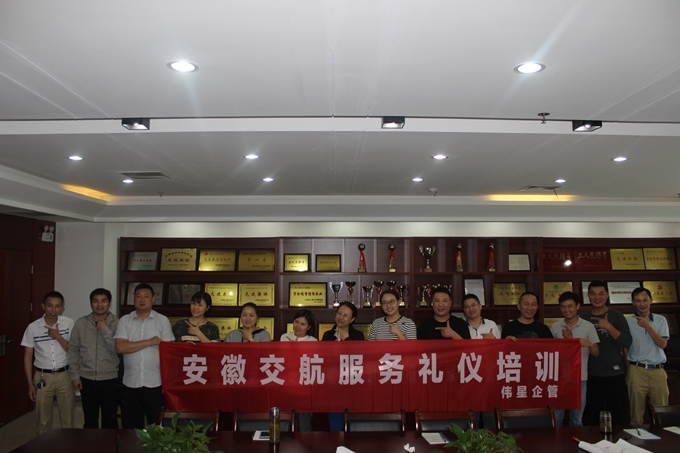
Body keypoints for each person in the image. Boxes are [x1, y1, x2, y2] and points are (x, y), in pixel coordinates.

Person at [115, 283, 174, 429]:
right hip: (131, 382)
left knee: (157, 427)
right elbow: (120, 347)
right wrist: (149, 342)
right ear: (133, 299)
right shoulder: (125, 320)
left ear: (153, 299)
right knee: (132, 428)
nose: (142, 300)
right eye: (138, 296)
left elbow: (168, 353)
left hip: (155, 383)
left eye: (146, 296)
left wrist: (167, 383)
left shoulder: (162, 320)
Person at [21, 291, 75, 434]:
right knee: (43, 420)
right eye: (50, 305)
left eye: (57, 306)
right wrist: (30, 383)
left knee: (68, 419)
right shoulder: (33, 327)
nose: (53, 310)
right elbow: (27, 357)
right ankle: (43, 444)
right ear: (43, 306)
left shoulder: (69, 323)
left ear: (62, 308)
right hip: (42, 376)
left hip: (65, 375)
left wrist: (58, 336)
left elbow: (73, 350)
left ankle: (69, 443)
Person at [581, 280, 632, 426]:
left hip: (614, 374)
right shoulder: (583, 318)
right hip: (591, 375)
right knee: (593, 418)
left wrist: (608, 326)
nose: (597, 297)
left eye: (601, 294)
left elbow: (627, 341)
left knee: (619, 416)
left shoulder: (617, 316)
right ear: (588, 296)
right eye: (593, 294)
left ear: (607, 295)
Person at [68, 288, 119, 429]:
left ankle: (109, 443)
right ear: (91, 303)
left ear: (110, 303)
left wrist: (104, 329)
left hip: (110, 379)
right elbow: (73, 350)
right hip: (87, 378)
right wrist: (74, 375)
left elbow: (117, 348)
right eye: (95, 301)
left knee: (110, 420)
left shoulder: (117, 323)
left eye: (104, 301)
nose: (100, 304)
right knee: (90, 421)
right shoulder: (81, 323)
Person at [550, 292, 599, 427]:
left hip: (580, 379)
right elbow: (551, 352)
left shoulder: (588, 326)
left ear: (578, 306)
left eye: (570, 306)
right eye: (563, 307)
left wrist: (589, 344)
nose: (567, 310)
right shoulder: (556, 327)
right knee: (557, 419)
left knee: (576, 420)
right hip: (559, 380)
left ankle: (576, 441)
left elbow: (596, 352)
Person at [625, 287, 670, 425]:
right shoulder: (628, 321)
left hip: (657, 370)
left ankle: (661, 438)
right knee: (636, 414)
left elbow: (662, 344)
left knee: (661, 412)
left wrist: (647, 326)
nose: (642, 304)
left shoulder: (661, 320)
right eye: (638, 301)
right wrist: (628, 370)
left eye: (645, 300)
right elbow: (625, 348)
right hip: (637, 370)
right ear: (633, 302)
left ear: (651, 300)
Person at [322, 301, 364, 431]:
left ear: (352, 319)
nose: (341, 317)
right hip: (333, 386)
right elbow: (323, 359)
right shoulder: (328, 335)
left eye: (345, 315)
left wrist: (347, 340)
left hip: (352, 385)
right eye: (339, 313)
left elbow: (359, 359)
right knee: (335, 424)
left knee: (353, 425)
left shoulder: (358, 336)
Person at [281, 309, 317, 431]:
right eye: (296, 322)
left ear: (309, 327)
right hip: (287, 387)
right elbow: (281, 361)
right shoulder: (284, 337)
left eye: (303, 324)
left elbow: (312, 366)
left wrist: (297, 351)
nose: (298, 326)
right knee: (287, 424)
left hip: (304, 390)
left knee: (303, 426)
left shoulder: (313, 342)